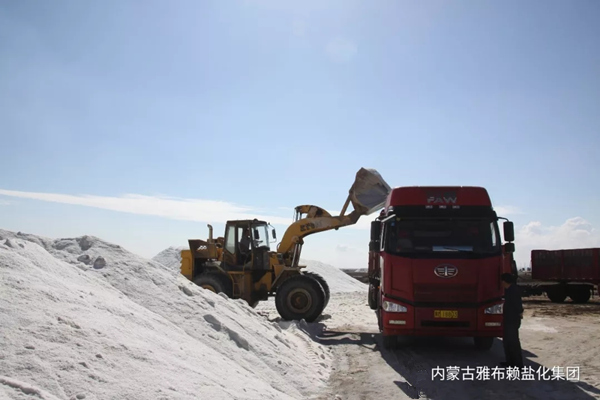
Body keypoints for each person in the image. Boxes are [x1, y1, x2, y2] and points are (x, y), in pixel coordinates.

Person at [500, 272, 524, 368]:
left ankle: (518, 364)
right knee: (507, 341)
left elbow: (518, 304)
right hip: (507, 319)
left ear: (504, 281)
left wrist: (520, 313)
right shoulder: (508, 290)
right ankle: (509, 361)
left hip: (512, 319)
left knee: (513, 341)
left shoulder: (513, 290)